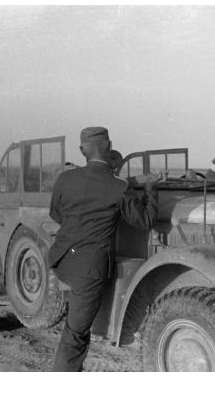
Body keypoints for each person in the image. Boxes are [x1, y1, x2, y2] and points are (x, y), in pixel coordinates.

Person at [49, 127, 157, 372]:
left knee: (76, 323)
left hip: (61, 259)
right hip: (89, 270)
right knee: (75, 333)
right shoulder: (118, 187)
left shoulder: (65, 179)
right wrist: (151, 188)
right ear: (109, 148)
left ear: (81, 151)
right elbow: (146, 221)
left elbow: (56, 214)